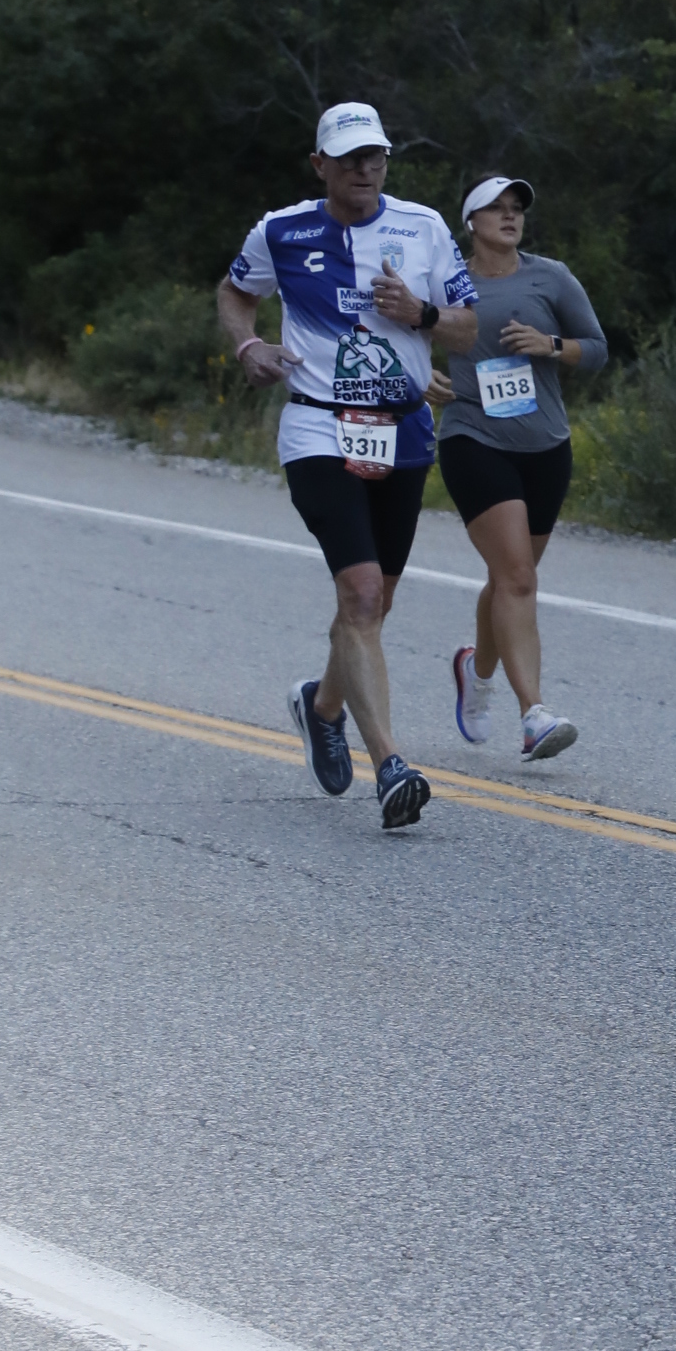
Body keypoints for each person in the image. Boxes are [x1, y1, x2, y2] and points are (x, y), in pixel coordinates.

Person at [218, 100, 478, 830]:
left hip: (403, 431)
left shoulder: (423, 228)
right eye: (351, 157)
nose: (366, 168)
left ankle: (323, 705)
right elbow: (235, 291)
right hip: (317, 426)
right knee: (360, 593)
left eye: (376, 156)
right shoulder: (282, 230)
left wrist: (422, 315)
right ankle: (391, 766)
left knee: (375, 603)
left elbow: (468, 329)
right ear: (320, 165)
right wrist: (248, 345)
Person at [434, 175, 608, 762]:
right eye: (496, 209)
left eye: (517, 209)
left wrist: (552, 345)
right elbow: (396, 333)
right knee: (518, 579)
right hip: (473, 439)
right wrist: (418, 377)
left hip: (545, 446)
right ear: (471, 222)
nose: (510, 217)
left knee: (510, 577)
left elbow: (598, 348)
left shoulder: (550, 277)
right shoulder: (446, 281)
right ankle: (534, 714)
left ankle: (476, 672)